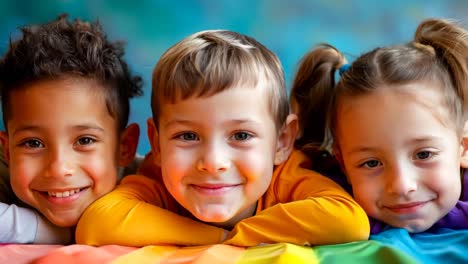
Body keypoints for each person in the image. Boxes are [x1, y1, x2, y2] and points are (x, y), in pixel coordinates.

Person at [75, 29, 369, 247]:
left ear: (281, 142)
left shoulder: (289, 176)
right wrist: (216, 238)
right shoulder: (156, 179)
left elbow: (348, 221)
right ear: (157, 143)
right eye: (188, 136)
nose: (213, 162)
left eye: (241, 135)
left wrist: (239, 236)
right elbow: (97, 223)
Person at [290, 18, 468, 234]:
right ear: (343, 163)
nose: (402, 185)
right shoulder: (325, 202)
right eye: (372, 163)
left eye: (423, 155)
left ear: (463, 148)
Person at [0, 14, 143, 244]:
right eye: (33, 143)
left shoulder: (157, 182)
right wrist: (47, 231)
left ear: (124, 147)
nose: (58, 169)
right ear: (7, 151)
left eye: (85, 140)